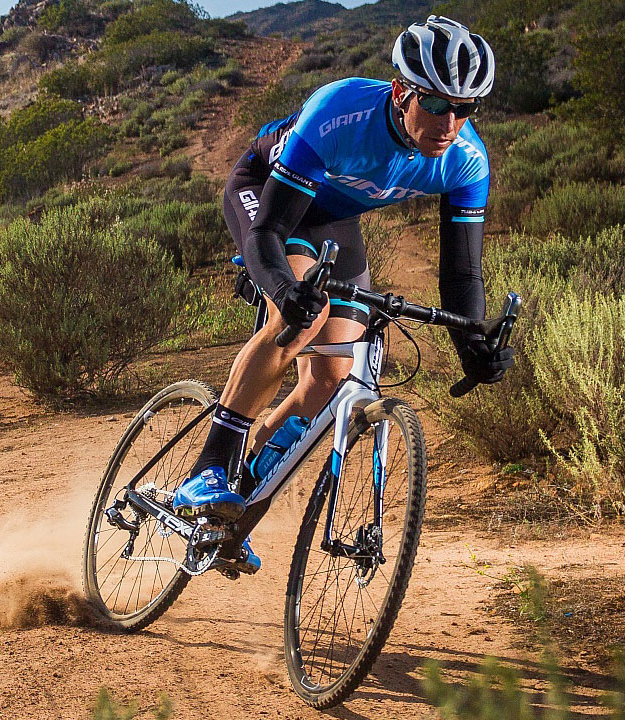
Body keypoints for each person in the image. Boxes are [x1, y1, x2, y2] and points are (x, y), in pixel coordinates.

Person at [171, 15, 516, 573]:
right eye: (434, 103)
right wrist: (280, 284)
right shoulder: (342, 112)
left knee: (331, 380)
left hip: (334, 220)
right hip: (268, 195)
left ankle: (235, 500)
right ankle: (207, 468)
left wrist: (473, 344)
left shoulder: (467, 161)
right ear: (402, 92)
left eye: (466, 108)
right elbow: (269, 233)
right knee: (303, 317)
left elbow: (462, 277)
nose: (449, 121)